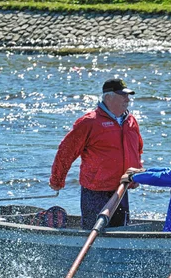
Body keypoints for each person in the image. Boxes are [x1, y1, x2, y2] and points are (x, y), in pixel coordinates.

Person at [49, 78, 143, 229]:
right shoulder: (89, 122)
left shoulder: (131, 121)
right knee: (94, 231)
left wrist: (136, 176)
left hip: (121, 188)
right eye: (123, 95)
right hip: (95, 192)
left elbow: (137, 149)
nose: (128, 99)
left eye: (128, 95)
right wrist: (57, 181)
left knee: (121, 231)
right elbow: (66, 152)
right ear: (108, 97)